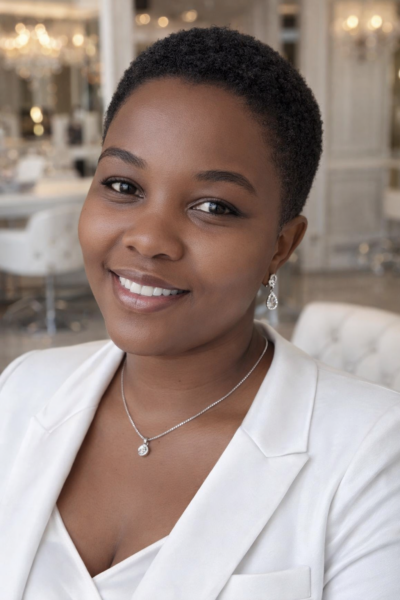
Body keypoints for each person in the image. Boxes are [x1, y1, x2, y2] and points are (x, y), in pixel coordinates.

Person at [0, 27, 399, 600]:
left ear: (281, 247)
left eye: (214, 206)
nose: (148, 239)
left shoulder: (373, 454)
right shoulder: (22, 391)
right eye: (123, 185)